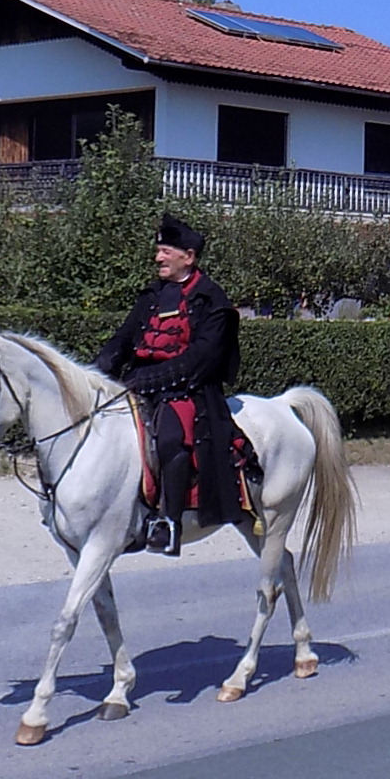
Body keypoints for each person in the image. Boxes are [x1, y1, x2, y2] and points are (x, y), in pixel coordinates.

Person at [96, 212, 243, 556]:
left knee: (172, 438)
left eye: (165, 251)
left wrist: (144, 379)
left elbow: (198, 362)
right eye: (158, 250)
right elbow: (124, 338)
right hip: (141, 386)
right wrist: (98, 369)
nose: (157, 257)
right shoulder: (152, 295)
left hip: (189, 390)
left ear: (188, 257)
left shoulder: (213, 302)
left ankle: (168, 522)